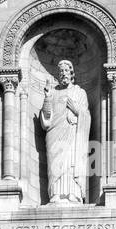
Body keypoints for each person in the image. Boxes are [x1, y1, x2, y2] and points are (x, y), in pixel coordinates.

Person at [39, 59, 91, 203]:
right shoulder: (53, 92)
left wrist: (76, 110)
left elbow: (86, 116)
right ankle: (55, 193)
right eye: (61, 71)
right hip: (55, 134)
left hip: (73, 133)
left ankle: (73, 193)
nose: (63, 74)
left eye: (66, 71)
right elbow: (46, 117)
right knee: (55, 162)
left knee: (71, 162)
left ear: (71, 73)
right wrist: (47, 97)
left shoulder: (79, 92)